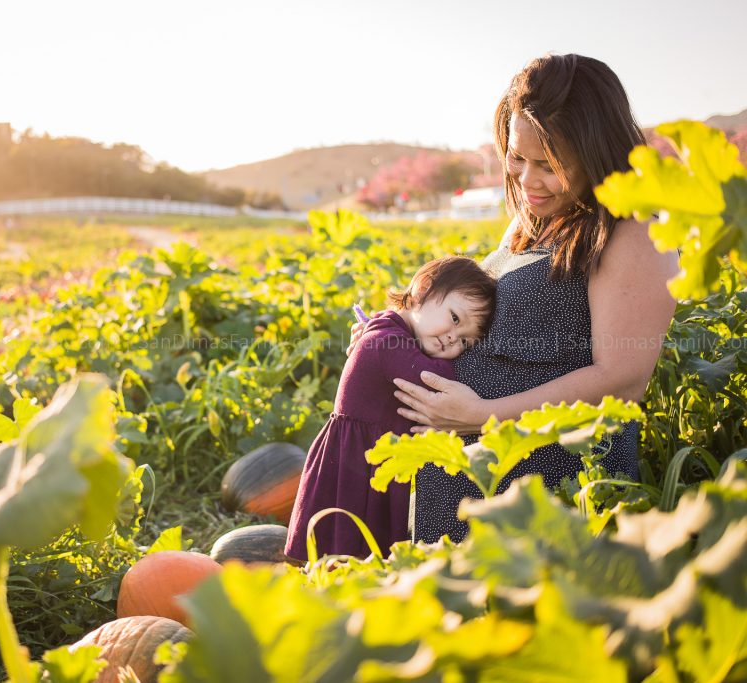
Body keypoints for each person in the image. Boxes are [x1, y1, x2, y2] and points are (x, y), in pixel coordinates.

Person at [348, 54, 680, 543]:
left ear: (597, 152)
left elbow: (623, 381)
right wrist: (400, 330)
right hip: (472, 476)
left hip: (547, 493)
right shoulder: (534, 217)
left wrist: (483, 415)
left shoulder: (634, 229)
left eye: (549, 165)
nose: (526, 180)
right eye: (517, 157)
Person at [284, 256, 497, 561]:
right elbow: (435, 382)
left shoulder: (390, 330)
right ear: (423, 290)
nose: (453, 338)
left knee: (354, 556)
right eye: (454, 318)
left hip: (368, 460)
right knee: (347, 551)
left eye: (465, 342)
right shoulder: (389, 344)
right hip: (357, 469)